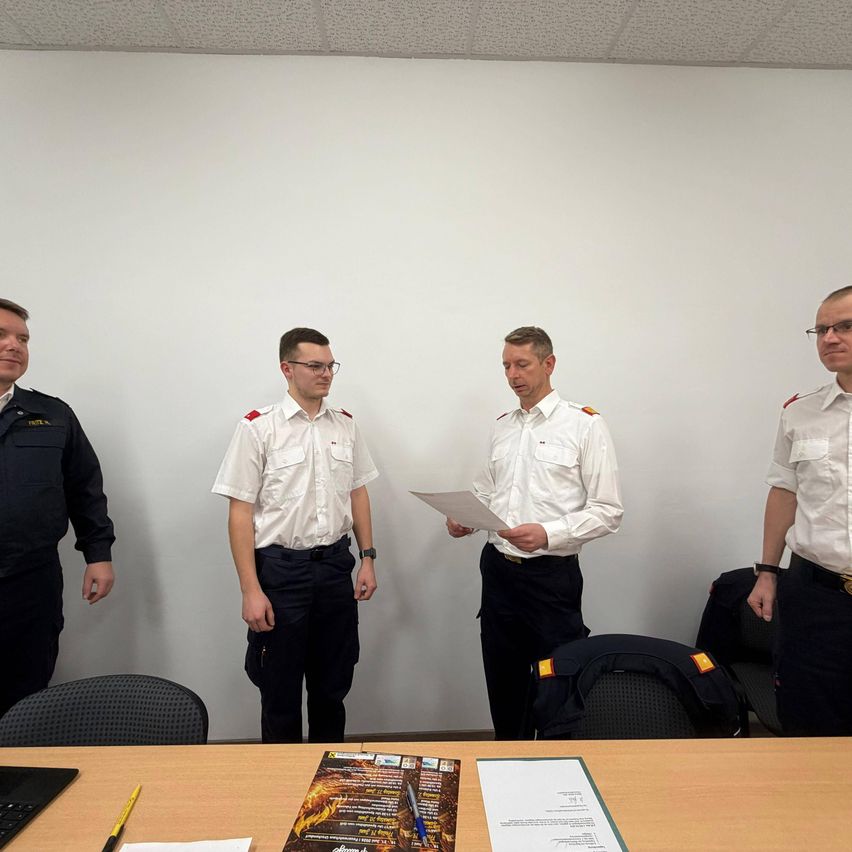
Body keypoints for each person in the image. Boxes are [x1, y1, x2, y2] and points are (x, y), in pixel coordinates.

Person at [447, 326, 623, 739]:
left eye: (522, 364)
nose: (513, 375)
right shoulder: (502, 426)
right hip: (499, 574)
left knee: (557, 681)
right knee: (504, 681)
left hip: (551, 578)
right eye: (506, 365)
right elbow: (486, 491)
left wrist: (548, 533)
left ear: (549, 364)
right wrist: (465, 517)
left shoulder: (584, 425)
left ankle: (558, 771)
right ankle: (507, 758)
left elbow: (608, 511)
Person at [212, 327, 378, 743]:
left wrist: (368, 558)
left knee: (332, 688)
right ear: (287, 369)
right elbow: (240, 513)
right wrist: (250, 589)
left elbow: (357, 493)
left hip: (335, 569)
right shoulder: (258, 428)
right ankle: (279, 789)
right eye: (314, 366)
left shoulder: (345, 426)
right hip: (281, 573)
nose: (325, 374)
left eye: (330, 366)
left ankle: (327, 782)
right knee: (279, 691)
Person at [0, 298, 115, 717]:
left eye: (23, 338)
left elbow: (85, 488)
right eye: (2, 335)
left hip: (31, 581)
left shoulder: (52, 414)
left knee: (26, 690)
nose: (14, 346)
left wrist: (98, 554)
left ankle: (19, 778)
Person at [748, 285, 852, 736]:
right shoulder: (801, 412)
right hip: (816, 594)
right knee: (809, 723)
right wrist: (768, 571)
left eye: (845, 326)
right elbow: (784, 492)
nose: (830, 338)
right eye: (822, 329)